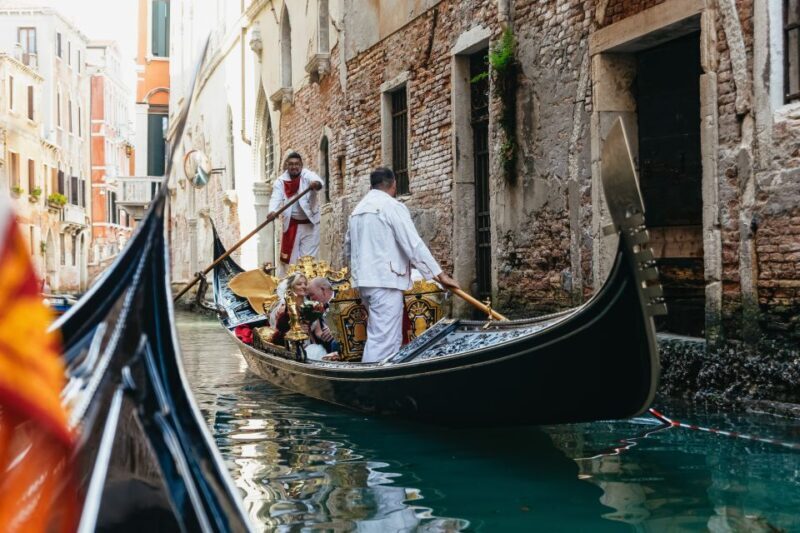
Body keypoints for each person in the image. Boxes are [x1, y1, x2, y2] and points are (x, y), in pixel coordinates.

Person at [344, 167, 460, 363]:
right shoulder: (391, 206)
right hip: (385, 281)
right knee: (384, 340)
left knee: (378, 334)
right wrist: (439, 275)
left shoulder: (358, 210)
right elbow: (413, 244)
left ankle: (378, 377)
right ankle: (375, 384)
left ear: (372, 185)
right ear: (393, 184)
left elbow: (348, 246)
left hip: (364, 282)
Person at [268, 152, 324, 272]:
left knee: (308, 261)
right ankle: (289, 286)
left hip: (310, 224)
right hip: (291, 224)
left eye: (297, 164)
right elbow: (275, 198)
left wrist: (316, 184)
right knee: (290, 262)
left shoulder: (307, 175)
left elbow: (318, 182)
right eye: (291, 164)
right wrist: (272, 211)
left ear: (301, 165)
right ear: (287, 166)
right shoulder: (280, 181)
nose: (294, 167)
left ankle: (306, 286)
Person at [307, 277, 339, 354]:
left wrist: (337, 330)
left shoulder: (344, 297)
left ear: (323, 290)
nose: (311, 299)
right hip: (324, 346)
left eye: (312, 295)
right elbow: (317, 332)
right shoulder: (313, 306)